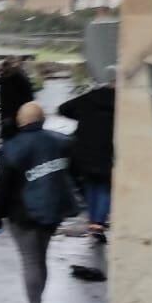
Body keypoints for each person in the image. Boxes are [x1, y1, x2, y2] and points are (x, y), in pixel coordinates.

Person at [0, 102, 80, 303]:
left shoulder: (12, 148)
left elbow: (1, 187)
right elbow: (73, 172)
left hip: (24, 215)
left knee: (31, 260)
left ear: (21, 121)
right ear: (42, 119)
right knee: (40, 259)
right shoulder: (61, 142)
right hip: (52, 212)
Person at [58, 84, 115, 240]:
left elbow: (63, 108)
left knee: (90, 185)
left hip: (83, 148)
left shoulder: (89, 97)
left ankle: (93, 221)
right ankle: (98, 223)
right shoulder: (119, 102)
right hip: (106, 148)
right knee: (104, 187)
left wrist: (82, 115)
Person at [0, 58, 35, 145]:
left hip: (19, 115)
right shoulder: (3, 80)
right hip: (9, 116)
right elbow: (3, 101)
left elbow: (28, 99)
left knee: (16, 138)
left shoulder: (20, 80)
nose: (2, 72)